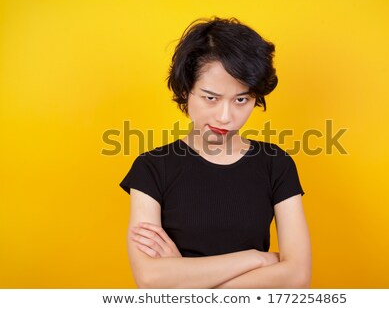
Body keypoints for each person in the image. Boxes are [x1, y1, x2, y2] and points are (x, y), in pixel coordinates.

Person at [120, 17, 311, 288]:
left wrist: (184, 278)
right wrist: (257, 259)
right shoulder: (152, 168)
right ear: (186, 91)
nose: (225, 117)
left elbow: (297, 278)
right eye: (211, 97)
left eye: (241, 99)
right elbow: (151, 281)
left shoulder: (275, 164)